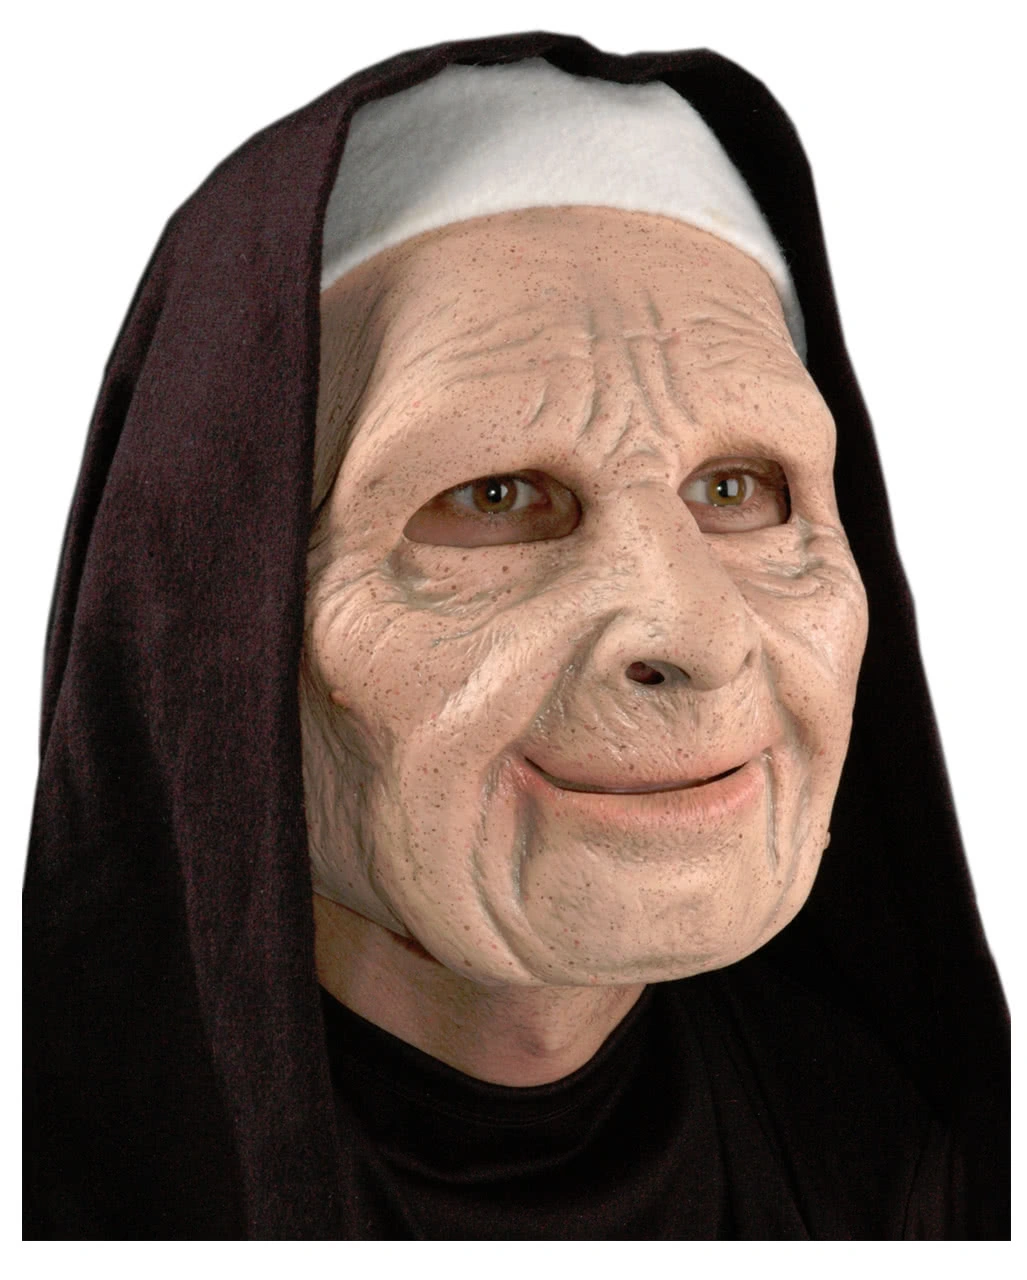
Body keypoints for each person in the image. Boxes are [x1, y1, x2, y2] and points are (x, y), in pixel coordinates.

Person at [23, 31, 1009, 1240]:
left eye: (736, 489)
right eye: (493, 495)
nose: (693, 632)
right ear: (221, 621)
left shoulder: (908, 1179)